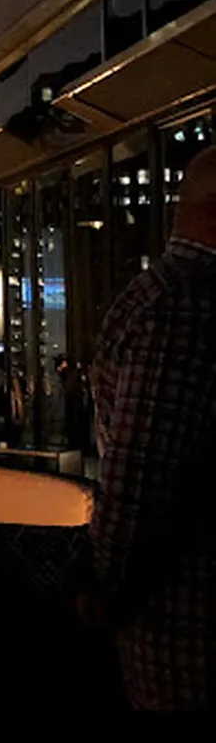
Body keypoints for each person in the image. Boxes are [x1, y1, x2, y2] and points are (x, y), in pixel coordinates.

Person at [91, 145, 216, 711]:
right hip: (184, 628)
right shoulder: (183, 310)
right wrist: (106, 592)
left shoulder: (159, 300)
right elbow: (140, 477)